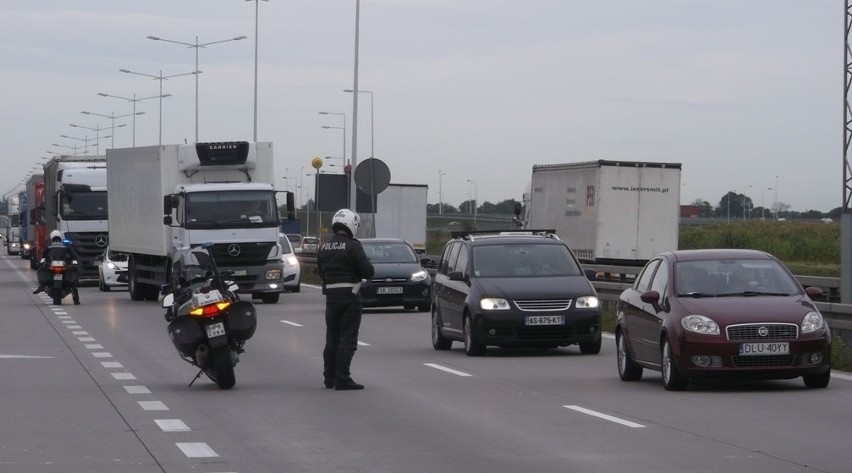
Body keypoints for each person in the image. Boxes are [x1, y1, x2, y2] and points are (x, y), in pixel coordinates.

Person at [317, 209, 375, 391]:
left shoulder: (323, 247)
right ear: (351, 225)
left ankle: (329, 378)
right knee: (348, 339)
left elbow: (321, 272)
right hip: (350, 297)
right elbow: (368, 271)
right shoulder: (353, 246)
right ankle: (342, 378)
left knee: (331, 339)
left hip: (331, 298)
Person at [33, 230, 80, 305]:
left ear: (52, 237)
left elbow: (43, 255)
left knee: (72, 280)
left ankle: (42, 286)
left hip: (54, 266)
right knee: (73, 284)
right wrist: (74, 262)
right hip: (63, 266)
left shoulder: (49, 245)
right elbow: (73, 255)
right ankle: (76, 300)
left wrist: (42, 263)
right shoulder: (66, 244)